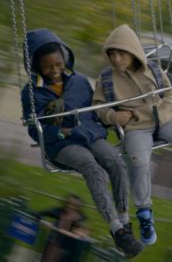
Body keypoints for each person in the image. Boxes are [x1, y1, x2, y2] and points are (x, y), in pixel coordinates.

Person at [92, 24, 172, 245]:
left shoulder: (153, 69)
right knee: (140, 162)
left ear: (132, 52)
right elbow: (98, 107)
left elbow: (169, 93)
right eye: (111, 53)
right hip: (136, 126)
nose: (115, 59)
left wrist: (167, 107)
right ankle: (144, 213)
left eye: (120, 53)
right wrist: (115, 118)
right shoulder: (106, 78)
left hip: (166, 119)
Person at [20, 29, 143, 258]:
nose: (55, 71)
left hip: (89, 135)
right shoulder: (32, 93)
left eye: (58, 64)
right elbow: (34, 129)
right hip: (62, 144)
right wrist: (59, 132)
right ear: (37, 67)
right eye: (48, 67)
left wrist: (112, 118)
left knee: (115, 163)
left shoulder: (79, 81)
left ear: (64, 59)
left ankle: (125, 223)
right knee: (93, 169)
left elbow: (95, 110)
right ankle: (116, 228)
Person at [37, 194, 87, 262]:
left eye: (74, 206)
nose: (70, 207)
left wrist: (78, 232)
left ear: (78, 207)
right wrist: (43, 221)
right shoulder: (60, 212)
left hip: (69, 251)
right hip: (53, 245)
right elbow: (39, 213)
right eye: (68, 204)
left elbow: (83, 233)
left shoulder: (80, 218)